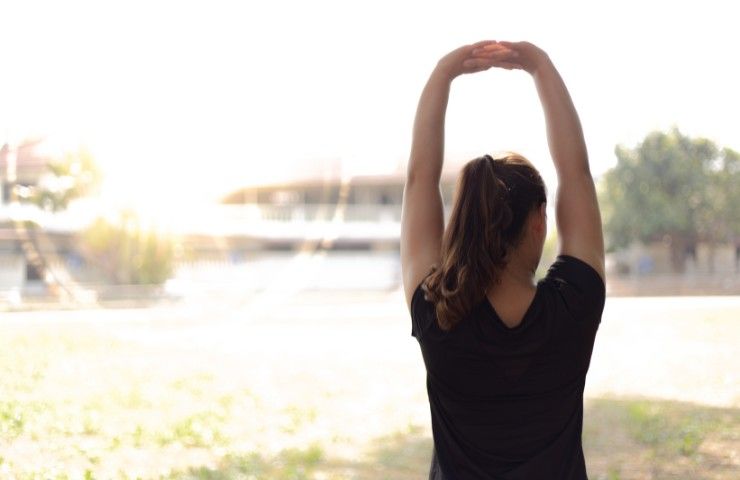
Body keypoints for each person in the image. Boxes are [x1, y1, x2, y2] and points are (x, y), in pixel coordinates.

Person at [400, 40, 606, 479]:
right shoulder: (575, 305)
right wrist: (540, 66)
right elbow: (577, 173)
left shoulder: (438, 313)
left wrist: (442, 72)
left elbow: (419, 180)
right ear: (537, 224)